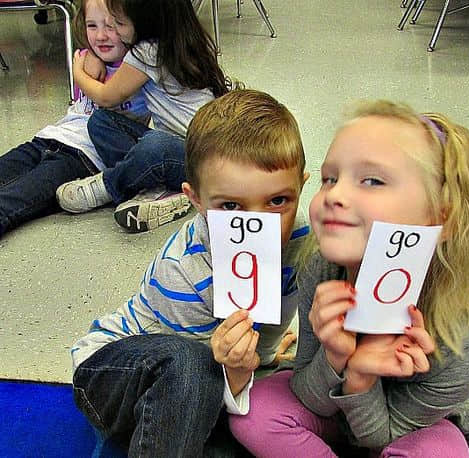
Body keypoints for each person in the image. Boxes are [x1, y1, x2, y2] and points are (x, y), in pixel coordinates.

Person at [229, 100, 469, 457]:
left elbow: (382, 436)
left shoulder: (465, 339)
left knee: (442, 451)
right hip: (330, 415)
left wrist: (362, 375)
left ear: (441, 218)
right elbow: (308, 396)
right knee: (254, 410)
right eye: (330, 178)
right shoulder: (322, 267)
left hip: (405, 431)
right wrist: (334, 356)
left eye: (372, 180)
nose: (335, 195)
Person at [71, 89, 310, 456]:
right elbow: (200, 379)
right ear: (195, 199)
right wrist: (237, 372)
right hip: (112, 371)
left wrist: (262, 354)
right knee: (193, 370)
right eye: (230, 206)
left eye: (278, 201)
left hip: (196, 384)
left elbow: (271, 320)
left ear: (300, 187)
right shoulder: (181, 270)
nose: (258, 223)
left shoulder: (300, 239)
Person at [56, 0, 231, 233]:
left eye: (118, 23)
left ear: (144, 22)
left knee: (153, 145)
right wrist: (94, 56)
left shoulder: (146, 52)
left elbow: (107, 97)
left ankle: (108, 186)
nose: (114, 31)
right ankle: (160, 190)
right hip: (181, 149)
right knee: (102, 122)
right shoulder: (181, 41)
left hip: (198, 160)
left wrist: (78, 73)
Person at [0, 0, 148, 238]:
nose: (101, 36)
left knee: (14, 198)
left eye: (111, 26)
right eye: (92, 25)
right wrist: (91, 56)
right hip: (48, 138)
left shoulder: (139, 67)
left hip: (83, 159)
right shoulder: (85, 56)